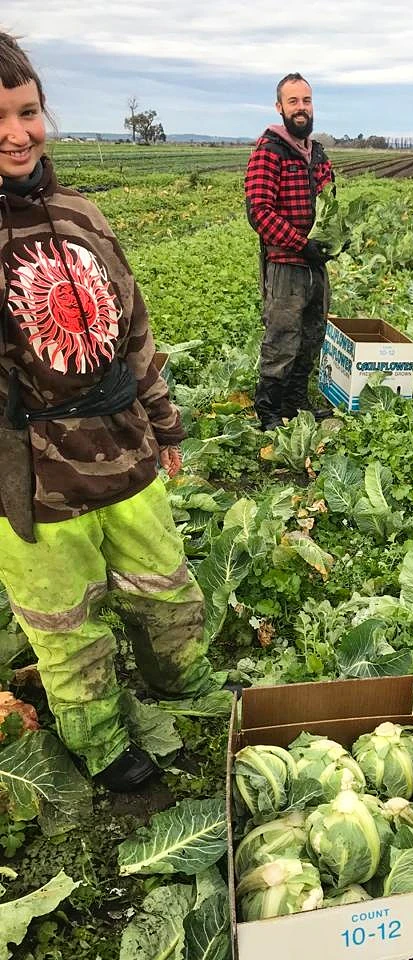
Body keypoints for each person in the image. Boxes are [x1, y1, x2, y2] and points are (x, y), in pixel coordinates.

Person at [0, 32, 218, 791]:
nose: (16, 134)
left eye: (27, 113)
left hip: (125, 450)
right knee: (66, 627)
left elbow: (135, 330)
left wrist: (165, 424)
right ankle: (99, 743)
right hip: (32, 480)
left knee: (167, 590)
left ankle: (183, 690)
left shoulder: (82, 216)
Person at [245, 72, 334, 430]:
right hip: (286, 265)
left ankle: (296, 400)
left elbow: (331, 203)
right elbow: (260, 213)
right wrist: (302, 244)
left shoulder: (316, 153)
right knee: (282, 336)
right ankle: (268, 409)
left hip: (315, 265)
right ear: (280, 107)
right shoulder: (269, 151)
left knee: (312, 334)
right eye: (293, 101)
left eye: (306, 101)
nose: (301, 108)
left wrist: (330, 239)